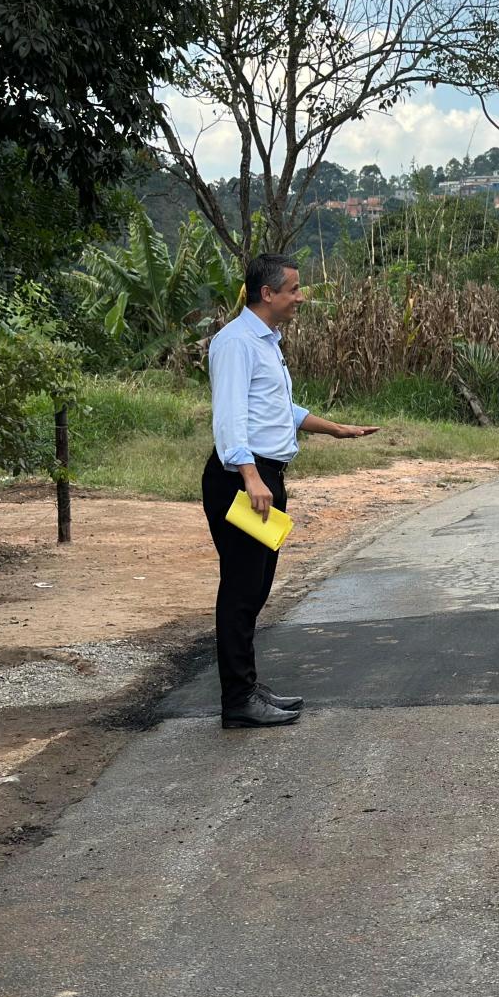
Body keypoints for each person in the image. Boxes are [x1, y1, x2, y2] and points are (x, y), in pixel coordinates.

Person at [203, 253, 378, 728]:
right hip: (244, 480)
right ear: (268, 294)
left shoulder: (265, 341)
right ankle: (237, 701)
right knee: (240, 591)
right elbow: (230, 418)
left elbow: (278, 407)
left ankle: (247, 686)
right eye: (295, 289)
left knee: (256, 588)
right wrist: (251, 476)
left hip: (264, 478)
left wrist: (333, 428)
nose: (301, 297)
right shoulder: (236, 343)